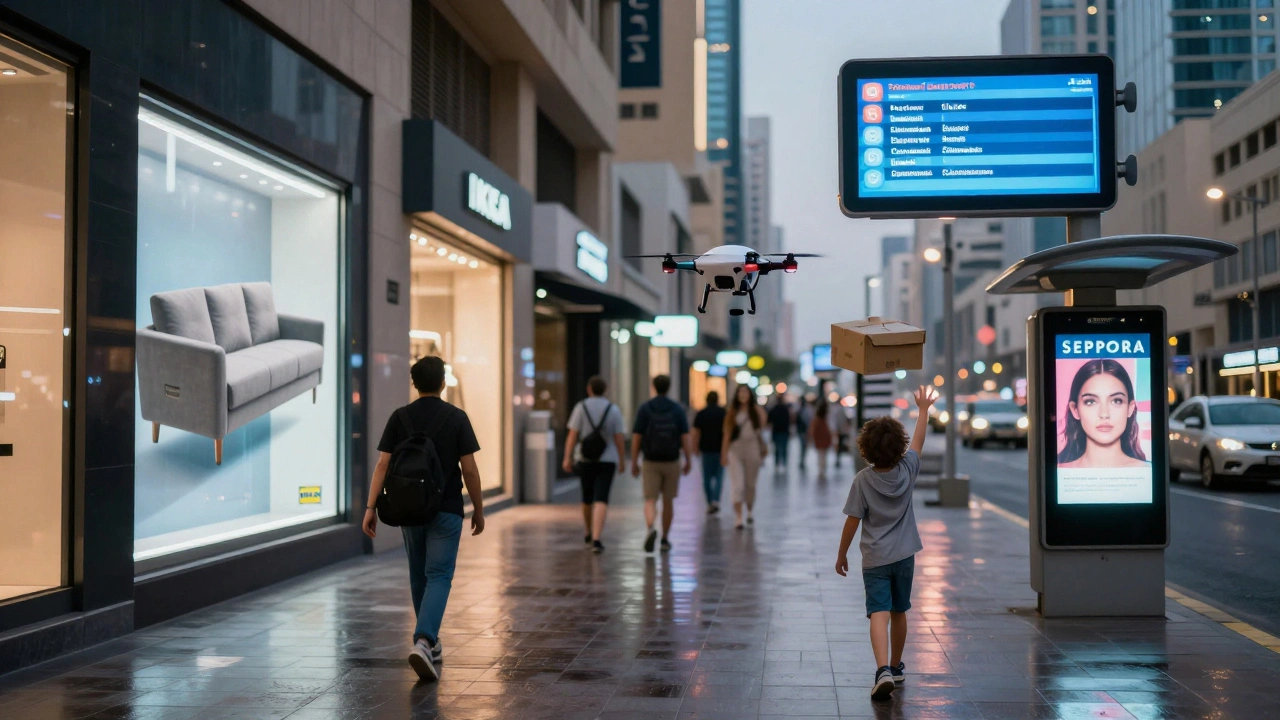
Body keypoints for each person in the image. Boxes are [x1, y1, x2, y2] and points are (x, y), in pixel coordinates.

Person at [363, 356, 485, 683]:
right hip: (446, 508)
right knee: (440, 574)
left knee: (419, 574)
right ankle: (425, 640)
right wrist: (479, 508)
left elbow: (382, 466)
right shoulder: (457, 417)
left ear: (414, 384)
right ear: (443, 382)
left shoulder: (399, 418)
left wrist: (370, 508)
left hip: (409, 508)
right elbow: (469, 469)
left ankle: (428, 640)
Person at [835, 385, 937, 701]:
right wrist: (923, 409)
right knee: (899, 610)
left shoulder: (863, 480)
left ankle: (882, 670)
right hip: (905, 555)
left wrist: (842, 554)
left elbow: (852, 520)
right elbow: (919, 440)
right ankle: (896, 665)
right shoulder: (908, 468)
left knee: (877, 611)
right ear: (898, 446)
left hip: (875, 558)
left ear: (865, 448)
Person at [563, 376, 627, 553]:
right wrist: (622, 460)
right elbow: (619, 437)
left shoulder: (580, 407)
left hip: (585, 459)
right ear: (605, 390)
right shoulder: (613, 409)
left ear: (589, 389)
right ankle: (597, 538)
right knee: (602, 498)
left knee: (587, 498)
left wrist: (567, 457)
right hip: (608, 459)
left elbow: (572, 435)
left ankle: (588, 532)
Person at [630, 375, 693, 552]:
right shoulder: (677, 409)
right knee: (668, 501)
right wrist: (688, 459)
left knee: (650, 499)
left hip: (650, 461)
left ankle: (651, 527)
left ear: (654, 387)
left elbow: (636, 437)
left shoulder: (645, 408)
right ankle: (665, 539)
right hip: (672, 461)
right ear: (669, 387)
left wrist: (634, 461)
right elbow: (685, 437)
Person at [1058, 359, 1149, 469]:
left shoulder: (1146, 472)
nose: (1104, 414)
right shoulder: (1061, 471)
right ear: (1075, 410)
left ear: (1130, 408)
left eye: (1116, 401)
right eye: (1090, 402)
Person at [723, 384, 768, 529]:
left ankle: (749, 510)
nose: (743, 395)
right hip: (735, 450)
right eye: (740, 392)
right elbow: (727, 434)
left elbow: (762, 426)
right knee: (738, 485)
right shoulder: (732, 412)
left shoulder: (756, 411)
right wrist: (723, 453)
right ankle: (738, 516)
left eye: (745, 392)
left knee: (750, 484)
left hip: (752, 448)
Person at [692, 390, 727, 514]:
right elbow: (727, 433)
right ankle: (716, 500)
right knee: (719, 476)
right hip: (720, 449)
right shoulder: (723, 413)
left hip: (706, 449)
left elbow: (696, 433)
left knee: (707, 477)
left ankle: (709, 501)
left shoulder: (701, 413)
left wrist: (695, 448)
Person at [767, 396, 793, 471]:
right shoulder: (786, 409)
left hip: (776, 431)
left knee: (777, 449)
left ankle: (777, 464)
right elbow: (789, 421)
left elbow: (769, 422)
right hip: (784, 431)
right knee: (784, 448)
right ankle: (784, 464)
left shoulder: (773, 409)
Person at [809, 401, 834, 478]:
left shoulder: (817, 418)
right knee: (824, 454)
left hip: (819, 437)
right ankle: (823, 468)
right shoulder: (827, 417)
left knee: (820, 454)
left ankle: (821, 469)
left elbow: (813, 429)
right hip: (825, 437)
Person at [796, 397, 812, 468]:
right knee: (803, 446)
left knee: (803, 446)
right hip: (802, 431)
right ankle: (802, 460)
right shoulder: (804, 410)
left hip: (802, 431)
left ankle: (802, 460)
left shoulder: (802, 410)